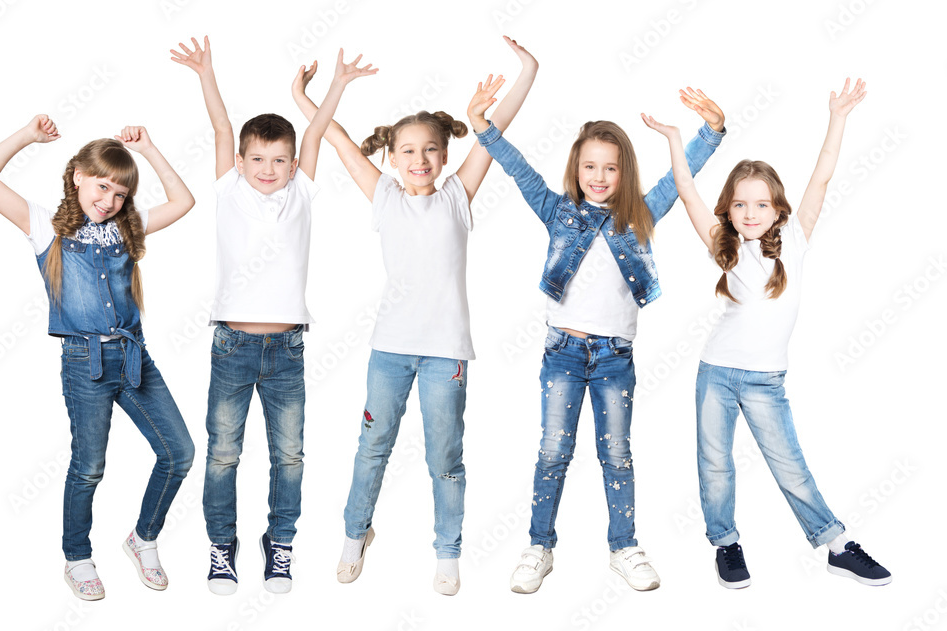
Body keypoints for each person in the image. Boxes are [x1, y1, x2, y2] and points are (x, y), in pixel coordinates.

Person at [291, 36, 537, 595]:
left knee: (445, 455)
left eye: (430, 150)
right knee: (372, 446)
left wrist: (528, 69)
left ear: (445, 156)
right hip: (391, 351)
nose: (420, 160)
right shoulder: (383, 195)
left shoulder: (457, 193)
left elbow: (498, 128)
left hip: (446, 352)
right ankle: (356, 533)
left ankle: (447, 551)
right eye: (407, 151)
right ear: (391, 157)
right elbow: (334, 138)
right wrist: (304, 95)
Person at [471, 87, 726, 594]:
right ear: (577, 168)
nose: (599, 177)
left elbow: (680, 179)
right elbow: (520, 169)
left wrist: (711, 132)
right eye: (590, 167)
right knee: (552, 453)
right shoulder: (557, 211)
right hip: (562, 353)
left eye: (610, 168)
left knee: (617, 455)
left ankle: (623, 547)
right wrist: (484, 128)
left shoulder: (641, 214)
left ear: (622, 172)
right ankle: (539, 546)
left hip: (615, 358)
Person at [642, 80, 891, 588]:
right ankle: (726, 544)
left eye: (760, 204)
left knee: (790, 467)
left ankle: (835, 544)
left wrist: (837, 116)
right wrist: (672, 137)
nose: (750, 213)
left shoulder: (794, 241)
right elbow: (687, 191)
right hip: (715, 373)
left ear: (778, 209)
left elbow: (821, 176)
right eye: (740, 205)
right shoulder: (724, 246)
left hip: (764, 381)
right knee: (714, 466)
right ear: (729, 211)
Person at [171, 36, 376, 595]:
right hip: (233, 346)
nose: (269, 168)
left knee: (289, 455)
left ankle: (279, 543)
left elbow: (315, 134)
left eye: (279, 160)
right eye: (257, 159)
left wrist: (335, 84)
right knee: (223, 454)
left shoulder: (301, 193)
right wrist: (205, 73)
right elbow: (220, 126)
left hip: (286, 348)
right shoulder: (228, 189)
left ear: (292, 165)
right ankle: (221, 545)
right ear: (240, 162)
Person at [0, 116, 196, 600]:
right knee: (89, 466)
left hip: (135, 361)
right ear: (77, 177)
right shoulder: (45, 227)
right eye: (101, 186)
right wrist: (27, 137)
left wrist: (151, 149)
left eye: (119, 193)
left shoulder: (126, 227)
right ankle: (78, 557)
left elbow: (184, 202)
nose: (108, 200)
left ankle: (143, 538)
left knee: (179, 452)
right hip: (83, 364)